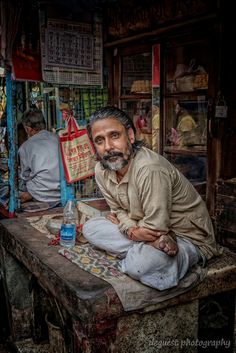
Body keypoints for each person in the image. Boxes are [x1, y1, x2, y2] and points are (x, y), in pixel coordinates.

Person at [82, 106, 221, 291]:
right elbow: (118, 211)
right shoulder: (101, 170)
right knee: (90, 228)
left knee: (140, 265)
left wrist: (131, 229)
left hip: (186, 237)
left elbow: (155, 228)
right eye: (100, 140)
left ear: (130, 136)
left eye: (115, 136)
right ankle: (149, 246)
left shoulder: (149, 168)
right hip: (146, 230)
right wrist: (132, 229)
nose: (108, 147)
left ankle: (148, 252)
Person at [18, 108, 61, 204]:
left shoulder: (25, 147)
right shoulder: (58, 138)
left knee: (20, 182)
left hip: (39, 194)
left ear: (28, 129)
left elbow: (25, 176)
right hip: (61, 192)